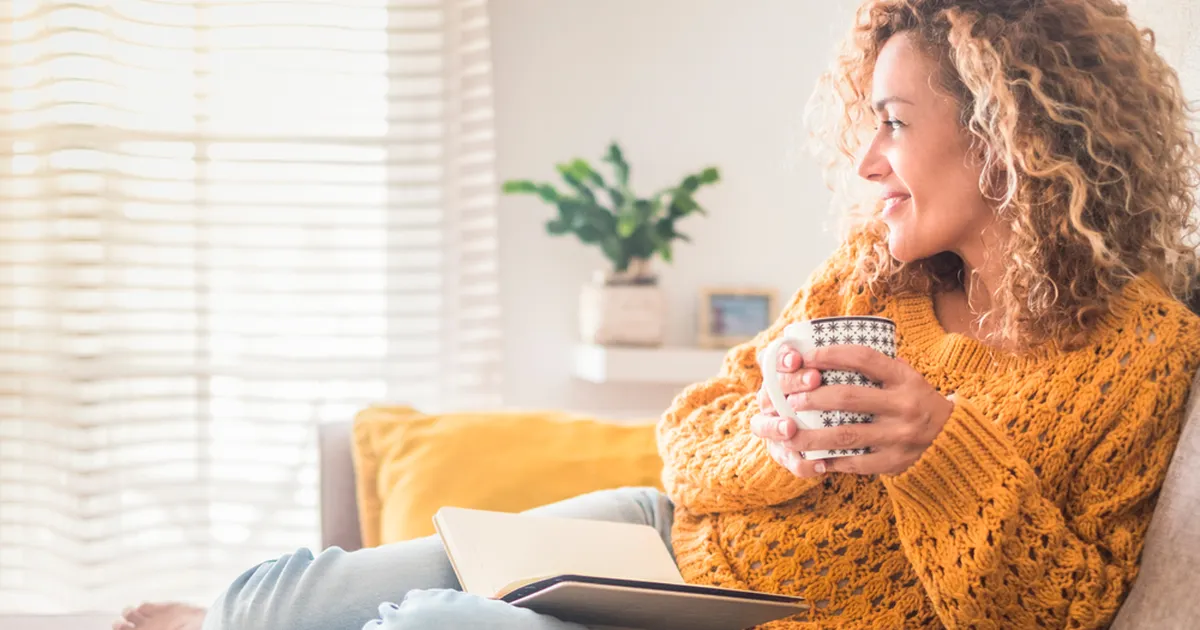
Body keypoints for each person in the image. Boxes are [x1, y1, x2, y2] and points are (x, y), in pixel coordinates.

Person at [114, 0, 1200, 628]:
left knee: (427, 628)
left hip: (745, 621)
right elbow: (686, 443)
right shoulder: (880, 275)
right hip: (655, 543)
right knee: (272, 595)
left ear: (1010, 135)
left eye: (895, 124)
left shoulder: (1143, 354)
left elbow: (1062, 612)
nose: (868, 162)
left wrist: (939, 451)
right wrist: (775, 436)